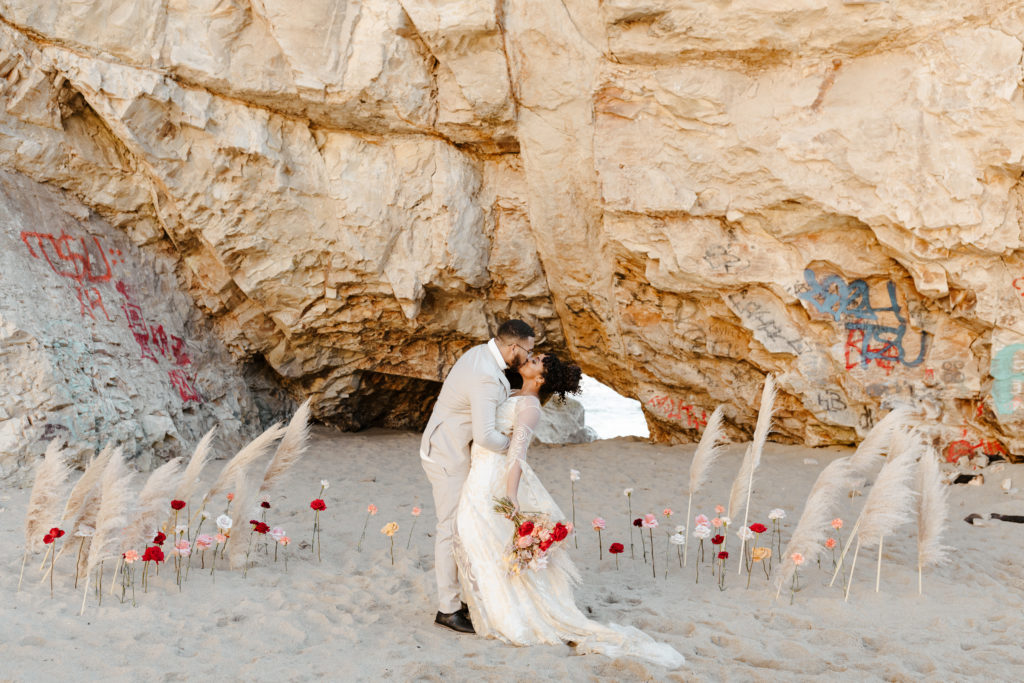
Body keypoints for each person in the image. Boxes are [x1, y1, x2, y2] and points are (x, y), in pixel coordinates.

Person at [453, 354, 685, 668]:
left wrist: (510, 495)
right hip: (478, 469)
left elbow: (517, 455)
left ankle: (503, 613)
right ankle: (485, 606)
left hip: (493, 479)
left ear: (542, 378)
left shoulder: (530, 407)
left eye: (535, 361)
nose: (528, 359)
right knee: (476, 539)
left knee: (480, 537)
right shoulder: (512, 394)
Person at [420, 320, 536, 634]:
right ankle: (448, 609)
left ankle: (465, 597)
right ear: (514, 347)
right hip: (447, 454)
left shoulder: (481, 354)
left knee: (465, 527)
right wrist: (515, 446)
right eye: (527, 351)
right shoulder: (485, 375)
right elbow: (485, 437)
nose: (527, 357)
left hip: (454, 448)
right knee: (450, 528)